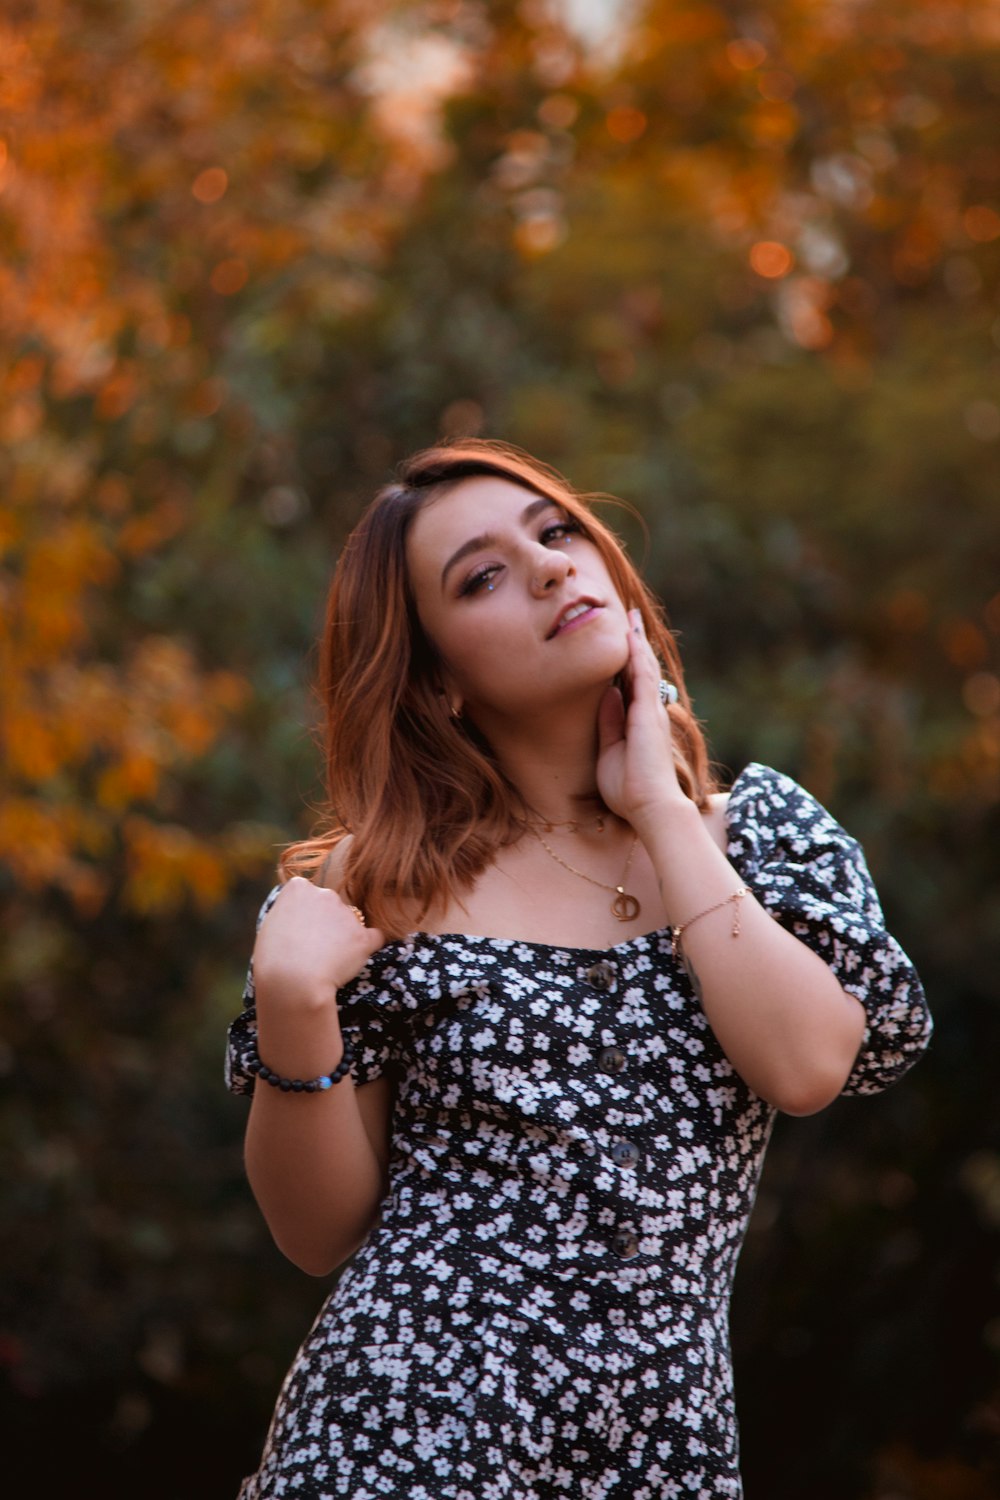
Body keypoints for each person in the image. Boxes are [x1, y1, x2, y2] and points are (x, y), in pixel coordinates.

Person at [226, 438, 932, 1500]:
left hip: (657, 1456)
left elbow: (806, 1064)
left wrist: (656, 805)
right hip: (395, 1440)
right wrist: (292, 1005)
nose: (550, 567)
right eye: (482, 576)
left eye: (555, 533)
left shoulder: (762, 839)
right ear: (438, 680)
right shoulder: (372, 890)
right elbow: (317, 1233)